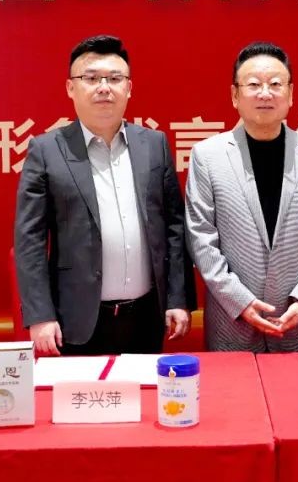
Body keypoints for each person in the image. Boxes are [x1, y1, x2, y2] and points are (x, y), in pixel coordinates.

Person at [14, 34, 193, 356]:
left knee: (144, 390)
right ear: (71, 88)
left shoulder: (154, 145)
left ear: (129, 87)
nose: (104, 87)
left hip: (147, 317)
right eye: (91, 78)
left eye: (114, 78)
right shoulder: (46, 150)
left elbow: (174, 228)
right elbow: (30, 241)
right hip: (76, 319)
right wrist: (40, 315)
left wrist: (177, 298)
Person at [185, 41, 298, 352]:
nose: (265, 93)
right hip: (232, 326)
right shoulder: (207, 156)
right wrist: (240, 301)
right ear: (235, 95)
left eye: (275, 84)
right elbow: (201, 238)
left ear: (290, 94)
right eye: (253, 84)